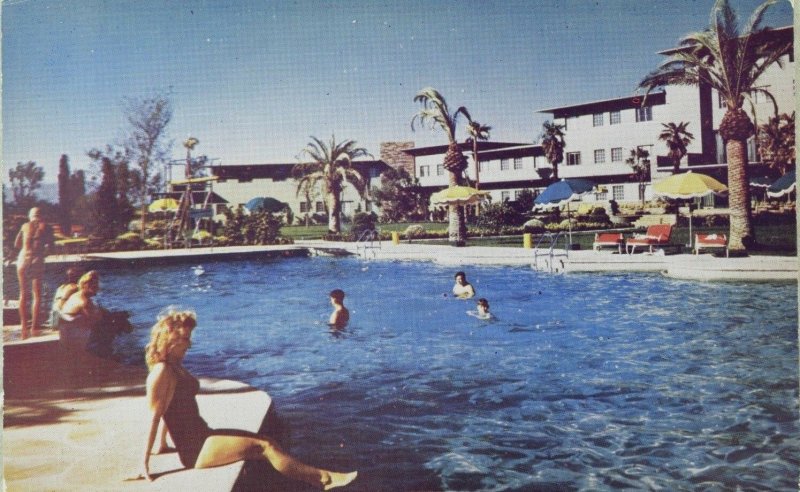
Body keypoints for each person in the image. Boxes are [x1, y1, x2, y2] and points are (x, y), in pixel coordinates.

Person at [143, 308, 357, 489]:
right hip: (196, 450)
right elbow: (155, 415)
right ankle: (324, 479)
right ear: (171, 339)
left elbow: (168, 406)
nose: (189, 345)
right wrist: (144, 465)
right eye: (185, 339)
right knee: (265, 447)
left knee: (268, 440)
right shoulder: (162, 371)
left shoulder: (174, 366)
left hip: (203, 435)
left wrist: (162, 445)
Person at [14, 207, 54, 338]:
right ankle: (34, 326)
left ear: (30, 216)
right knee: (36, 295)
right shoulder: (47, 228)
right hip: (37, 260)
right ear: (41, 216)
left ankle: (23, 325)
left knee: (23, 293)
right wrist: (43, 252)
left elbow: (17, 244)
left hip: (22, 259)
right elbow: (51, 248)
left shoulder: (24, 226)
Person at [58, 270, 103, 351]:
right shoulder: (84, 301)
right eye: (94, 287)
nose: (97, 289)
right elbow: (93, 321)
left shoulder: (76, 295)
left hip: (65, 331)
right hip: (72, 338)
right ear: (85, 285)